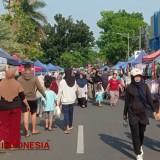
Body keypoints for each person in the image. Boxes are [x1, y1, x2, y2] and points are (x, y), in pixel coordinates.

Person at [123, 68, 157, 160]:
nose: (137, 78)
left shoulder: (144, 86)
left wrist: (154, 110)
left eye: (139, 76)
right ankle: (138, 153)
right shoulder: (129, 87)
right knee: (135, 133)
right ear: (132, 77)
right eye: (135, 76)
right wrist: (124, 113)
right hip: (132, 112)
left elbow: (149, 99)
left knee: (141, 132)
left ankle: (140, 145)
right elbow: (126, 101)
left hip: (142, 112)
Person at [0, 68, 30, 152]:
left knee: (3, 125)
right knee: (15, 126)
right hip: (15, 106)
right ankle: (12, 145)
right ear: (14, 74)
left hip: (3, 107)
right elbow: (22, 97)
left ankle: (3, 142)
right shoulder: (17, 84)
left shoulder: (0, 83)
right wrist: (27, 105)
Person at [18, 63, 46, 136]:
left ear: (24, 69)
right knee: (33, 114)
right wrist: (44, 94)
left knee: (25, 114)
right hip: (33, 99)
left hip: (24, 99)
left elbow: (17, 89)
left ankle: (27, 132)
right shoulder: (34, 78)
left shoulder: (20, 78)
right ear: (30, 69)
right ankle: (34, 130)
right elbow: (40, 88)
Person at [57, 68, 77, 134]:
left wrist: (57, 102)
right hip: (72, 100)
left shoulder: (62, 82)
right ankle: (70, 125)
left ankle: (67, 127)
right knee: (71, 113)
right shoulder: (74, 80)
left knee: (66, 114)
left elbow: (59, 92)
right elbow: (75, 89)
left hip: (65, 100)